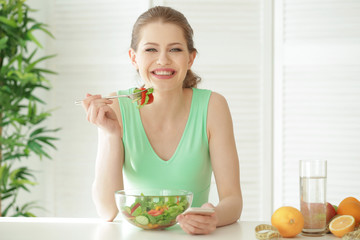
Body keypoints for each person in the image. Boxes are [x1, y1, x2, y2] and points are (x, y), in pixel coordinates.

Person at [82, 6, 242, 235]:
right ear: (133, 57)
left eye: (175, 49)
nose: (163, 60)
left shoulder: (213, 107)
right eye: (151, 50)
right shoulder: (116, 106)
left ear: (190, 58)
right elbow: (107, 210)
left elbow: (233, 201)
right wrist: (110, 133)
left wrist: (213, 218)